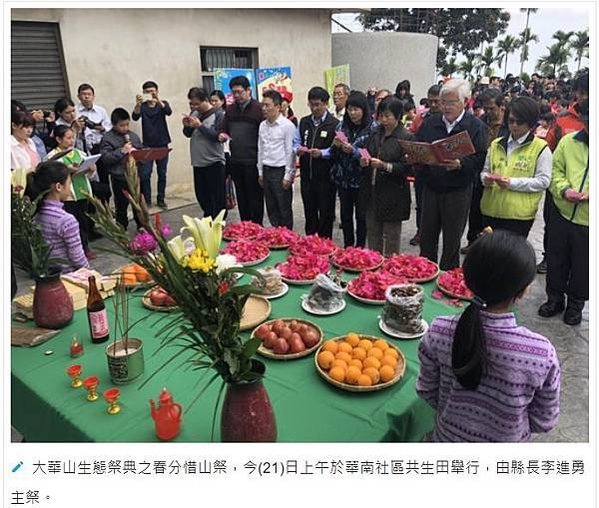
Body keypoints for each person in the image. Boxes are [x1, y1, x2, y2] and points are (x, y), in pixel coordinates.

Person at [416, 231, 560, 442]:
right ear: (523, 291)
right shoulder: (541, 354)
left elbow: (427, 390)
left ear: (467, 280)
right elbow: (544, 420)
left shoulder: (439, 330)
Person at [416, 78, 487, 270]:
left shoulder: (475, 127)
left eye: (451, 102)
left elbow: (480, 157)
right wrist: (416, 157)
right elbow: (419, 145)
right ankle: (425, 273)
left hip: (458, 191)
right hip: (431, 188)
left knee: (452, 241)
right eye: (443, 102)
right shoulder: (430, 123)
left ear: (465, 101)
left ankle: (447, 280)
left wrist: (460, 164)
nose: (446, 107)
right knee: (427, 237)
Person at [538, 99, 589, 326]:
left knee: (583, 265)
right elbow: (555, 170)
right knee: (557, 257)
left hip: (589, 220)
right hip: (562, 210)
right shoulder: (568, 142)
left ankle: (576, 305)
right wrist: (563, 189)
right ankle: (555, 299)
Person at [538, 70, 589, 274]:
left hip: (586, 202)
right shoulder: (563, 119)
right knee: (552, 227)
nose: (583, 97)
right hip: (558, 186)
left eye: (588, 93)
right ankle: (548, 258)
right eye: (581, 92)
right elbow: (548, 148)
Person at [479, 97, 551, 238]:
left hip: (518, 215)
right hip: (491, 210)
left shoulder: (541, 148)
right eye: (511, 121)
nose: (515, 126)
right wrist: (485, 179)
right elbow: (485, 171)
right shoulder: (496, 144)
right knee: (490, 256)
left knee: (510, 258)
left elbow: (543, 181)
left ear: (530, 124)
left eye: (520, 122)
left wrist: (511, 183)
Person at [358, 98, 414, 256]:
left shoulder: (406, 137)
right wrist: (364, 160)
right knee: (373, 237)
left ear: (398, 116)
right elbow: (366, 151)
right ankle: (373, 269)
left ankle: (391, 272)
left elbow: (407, 167)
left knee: (391, 239)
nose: (383, 120)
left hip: (393, 194)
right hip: (372, 191)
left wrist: (384, 165)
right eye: (381, 115)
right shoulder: (375, 133)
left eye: (387, 116)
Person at [462, 87, 510, 252]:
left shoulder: (509, 125)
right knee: (475, 210)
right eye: (486, 108)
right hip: (479, 172)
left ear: (502, 106)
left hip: (501, 174)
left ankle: (493, 245)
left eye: (492, 108)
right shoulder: (479, 123)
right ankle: (473, 241)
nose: (488, 112)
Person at [46, 125, 100, 260]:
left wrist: (91, 169)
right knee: (71, 224)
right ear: (58, 139)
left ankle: (85, 247)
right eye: (68, 138)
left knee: (83, 222)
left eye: (73, 137)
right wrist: (67, 171)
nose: (71, 141)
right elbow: (50, 176)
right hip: (67, 196)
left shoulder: (79, 153)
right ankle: (73, 251)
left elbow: (90, 176)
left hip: (82, 192)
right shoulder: (52, 157)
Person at [330, 91, 376, 247]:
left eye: (356, 109)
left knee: (361, 217)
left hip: (363, 180)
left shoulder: (373, 128)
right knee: (345, 216)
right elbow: (332, 153)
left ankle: (360, 248)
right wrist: (336, 146)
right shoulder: (341, 125)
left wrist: (354, 151)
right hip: (344, 179)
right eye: (350, 109)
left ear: (364, 109)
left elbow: (371, 153)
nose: (353, 113)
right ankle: (348, 246)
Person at [26, 160, 90, 273]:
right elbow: (78, 259)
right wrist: (92, 275)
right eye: (69, 184)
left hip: (48, 276)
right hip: (69, 276)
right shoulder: (66, 220)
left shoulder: (36, 214)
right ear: (59, 187)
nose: (70, 189)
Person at [218, 76, 264, 225]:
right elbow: (224, 129)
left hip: (253, 161)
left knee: (255, 198)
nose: (236, 96)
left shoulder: (259, 109)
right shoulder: (230, 110)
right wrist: (223, 135)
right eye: (233, 93)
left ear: (248, 90)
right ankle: (245, 227)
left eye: (239, 92)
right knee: (242, 197)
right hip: (236, 161)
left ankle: (257, 228)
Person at [293, 86, 338, 238]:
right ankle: (310, 245)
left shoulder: (335, 124)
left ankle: (325, 246)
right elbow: (296, 141)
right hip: (307, 177)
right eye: (311, 104)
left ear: (326, 104)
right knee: (309, 213)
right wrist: (298, 149)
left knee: (326, 214)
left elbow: (337, 149)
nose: (314, 108)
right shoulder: (304, 122)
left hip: (326, 178)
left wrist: (323, 153)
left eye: (317, 104)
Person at [183, 87, 226, 219]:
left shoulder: (219, 114)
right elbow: (188, 134)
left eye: (196, 103)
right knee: (202, 196)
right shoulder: (194, 114)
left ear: (205, 100)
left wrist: (200, 126)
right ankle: (208, 221)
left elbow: (218, 136)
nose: (194, 106)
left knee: (217, 198)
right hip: (198, 162)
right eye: (191, 103)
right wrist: (187, 126)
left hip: (214, 162)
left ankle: (218, 223)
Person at [257, 90, 296, 229]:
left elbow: (290, 152)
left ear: (278, 106)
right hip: (267, 170)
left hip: (280, 171)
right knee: (271, 208)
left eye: (267, 105)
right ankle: (276, 237)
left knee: (283, 208)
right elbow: (261, 149)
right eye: (263, 105)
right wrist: (260, 172)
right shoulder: (262, 125)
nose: (264, 109)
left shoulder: (287, 126)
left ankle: (287, 239)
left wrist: (288, 175)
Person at [408, 84, 442, 247]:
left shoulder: (447, 119)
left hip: (442, 170)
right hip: (422, 168)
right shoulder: (421, 118)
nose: (434, 105)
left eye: (437, 101)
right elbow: (413, 135)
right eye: (431, 101)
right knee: (421, 204)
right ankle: (420, 231)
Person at [100, 108, 143, 230]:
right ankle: (122, 229)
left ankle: (141, 226)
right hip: (119, 177)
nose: (125, 128)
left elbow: (141, 148)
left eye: (127, 124)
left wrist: (140, 153)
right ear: (113, 125)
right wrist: (122, 151)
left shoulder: (133, 136)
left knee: (138, 204)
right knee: (121, 206)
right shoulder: (108, 138)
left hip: (134, 175)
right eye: (122, 125)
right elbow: (106, 158)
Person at [132, 80, 172, 209]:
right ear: (143, 93)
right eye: (147, 92)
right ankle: (147, 200)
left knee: (162, 173)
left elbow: (168, 111)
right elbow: (135, 117)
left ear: (157, 91)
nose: (150, 94)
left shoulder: (162, 104)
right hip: (148, 145)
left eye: (152, 91)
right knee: (145, 174)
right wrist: (138, 104)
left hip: (162, 143)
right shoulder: (142, 106)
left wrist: (157, 99)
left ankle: (161, 199)